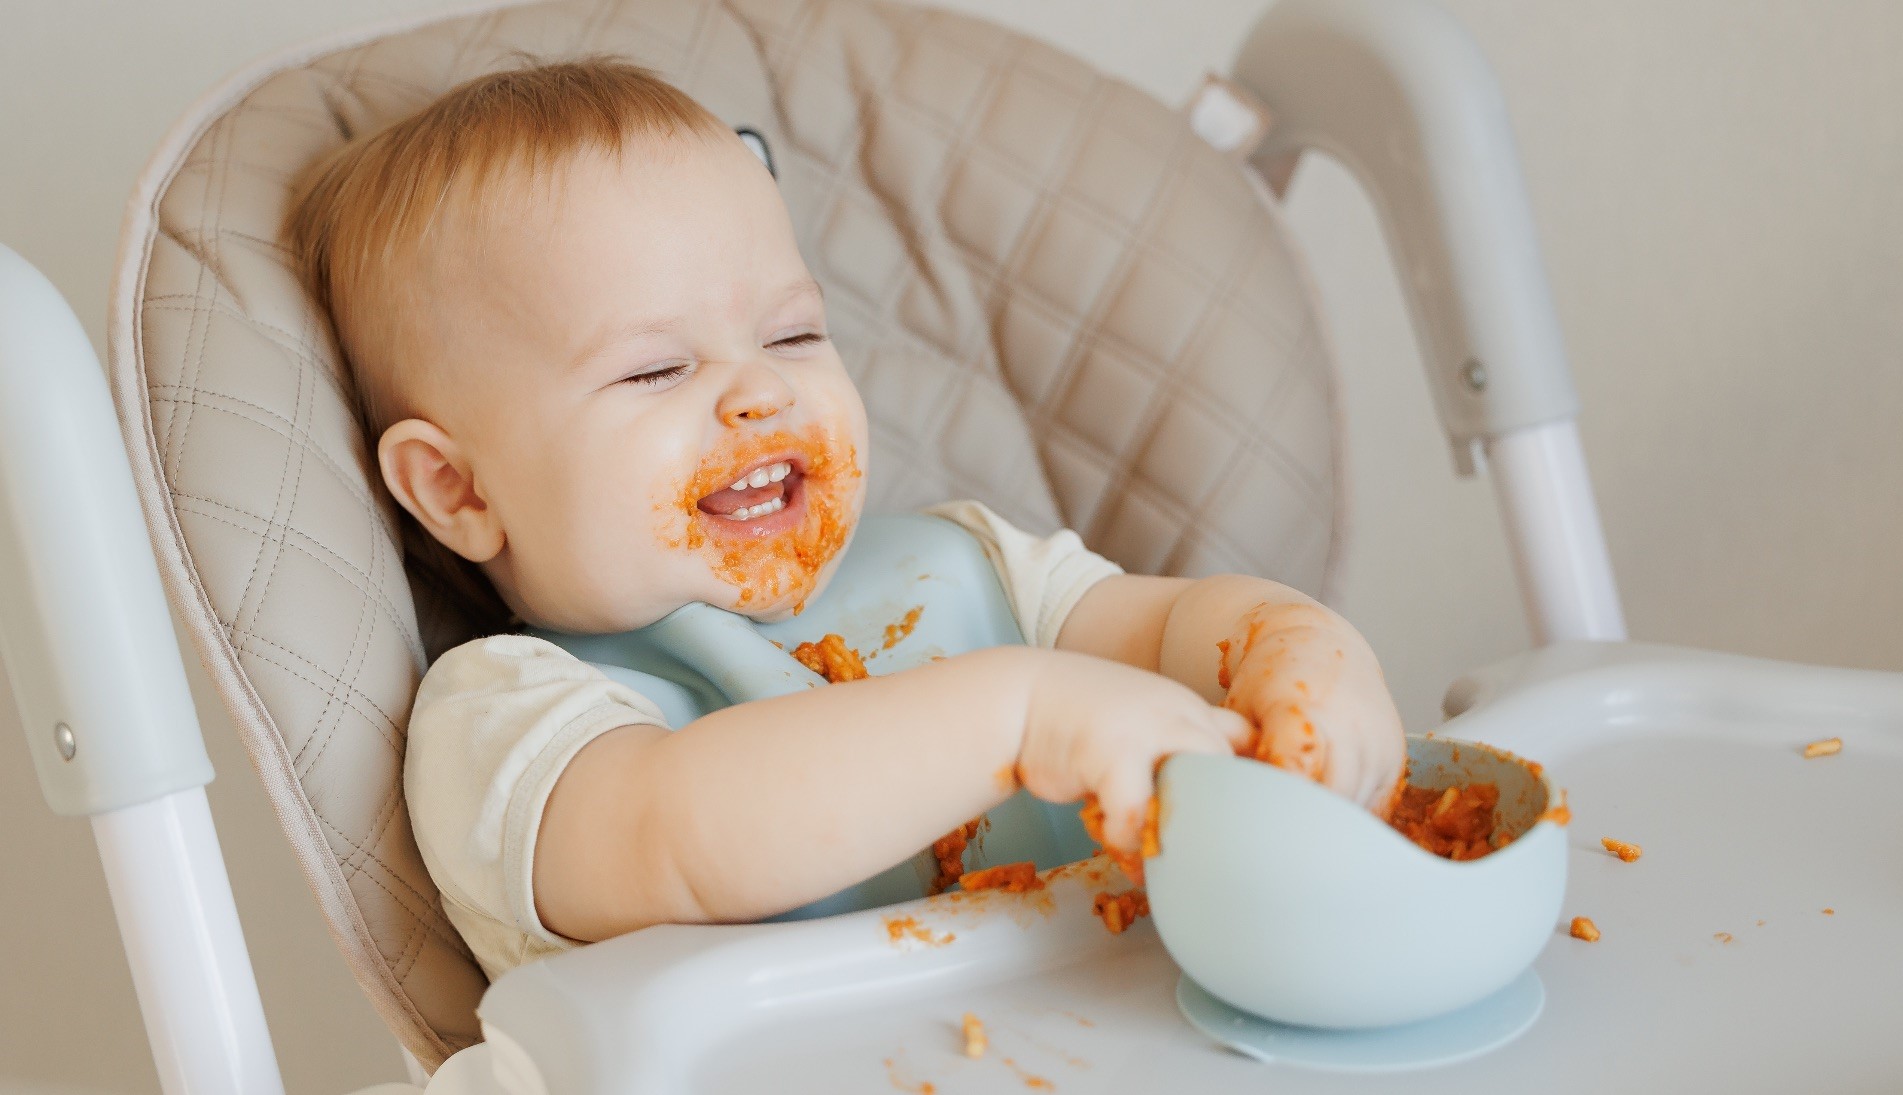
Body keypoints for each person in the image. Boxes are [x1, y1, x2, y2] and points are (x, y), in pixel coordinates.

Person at [288, 58, 1404, 980]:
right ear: (460, 491)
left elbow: (1169, 632)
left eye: (789, 337)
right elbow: (682, 835)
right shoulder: (515, 720)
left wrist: (1297, 652)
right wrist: (1019, 718)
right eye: (657, 369)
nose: (759, 393)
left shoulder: (967, 567)